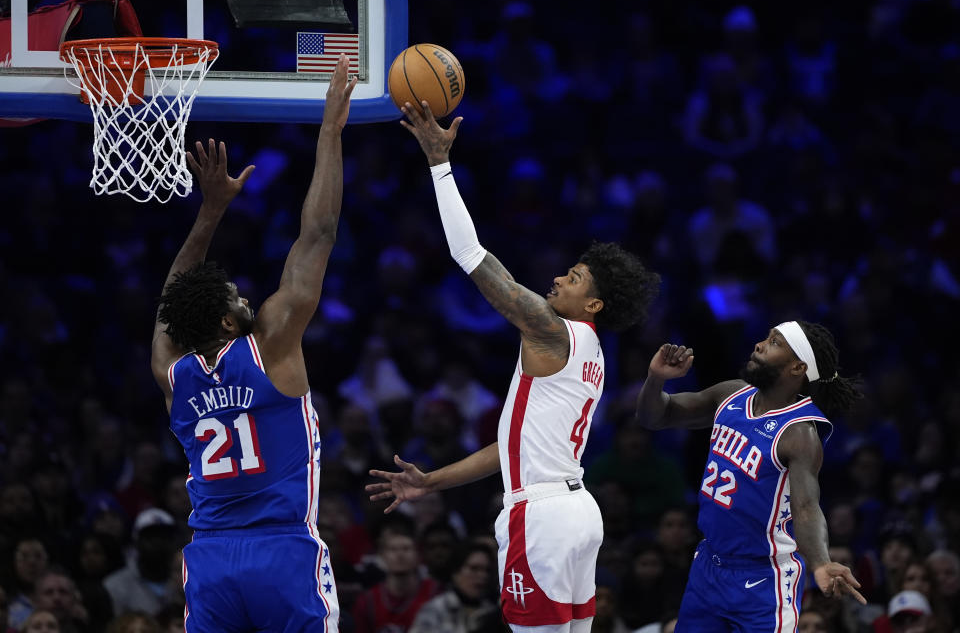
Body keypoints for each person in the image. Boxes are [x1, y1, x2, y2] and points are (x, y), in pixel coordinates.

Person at [366, 100, 661, 632]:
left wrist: (439, 164)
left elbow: (470, 254)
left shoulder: (551, 331)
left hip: (542, 517)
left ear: (593, 304)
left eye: (573, 277)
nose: (557, 280)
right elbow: (512, 448)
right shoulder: (592, 352)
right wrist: (431, 483)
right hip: (576, 511)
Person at [149, 54, 356, 632]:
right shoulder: (269, 345)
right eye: (236, 298)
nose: (246, 298)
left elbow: (172, 304)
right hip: (282, 552)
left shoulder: (174, 377)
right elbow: (319, 233)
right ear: (225, 324)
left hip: (211, 559)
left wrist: (210, 212)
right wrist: (330, 132)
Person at [635, 321, 867, 631]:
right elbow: (654, 417)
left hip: (764, 580)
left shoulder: (799, 433)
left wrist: (821, 563)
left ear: (797, 367)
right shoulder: (731, 394)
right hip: (709, 566)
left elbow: (807, 507)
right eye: (766, 338)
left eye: (774, 343)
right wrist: (656, 378)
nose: (759, 344)